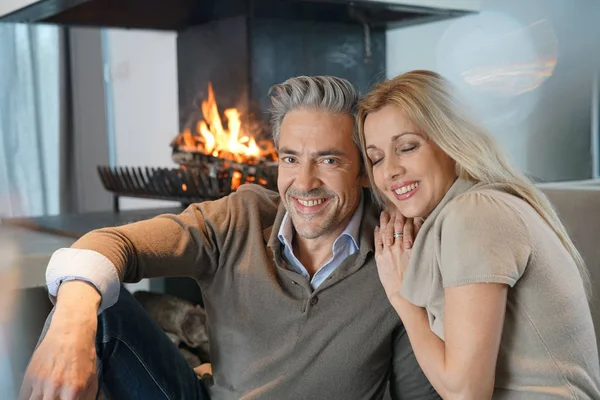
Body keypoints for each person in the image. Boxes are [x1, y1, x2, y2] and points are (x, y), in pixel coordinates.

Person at [19, 76, 440, 400]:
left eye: (328, 160)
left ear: (363, 170)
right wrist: (70, 326)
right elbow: (114, 245)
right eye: (291, 159)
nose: (304, 182)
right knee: (94, 307)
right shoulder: (240, 216)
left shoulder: (396, 250)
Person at [358, 69, 600, 399]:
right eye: (376, 158)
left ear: (450, 141)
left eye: (408, 147)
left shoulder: (474, 213)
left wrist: (402, 297)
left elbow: (466, 393)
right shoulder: (477, 207)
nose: (389, 171)